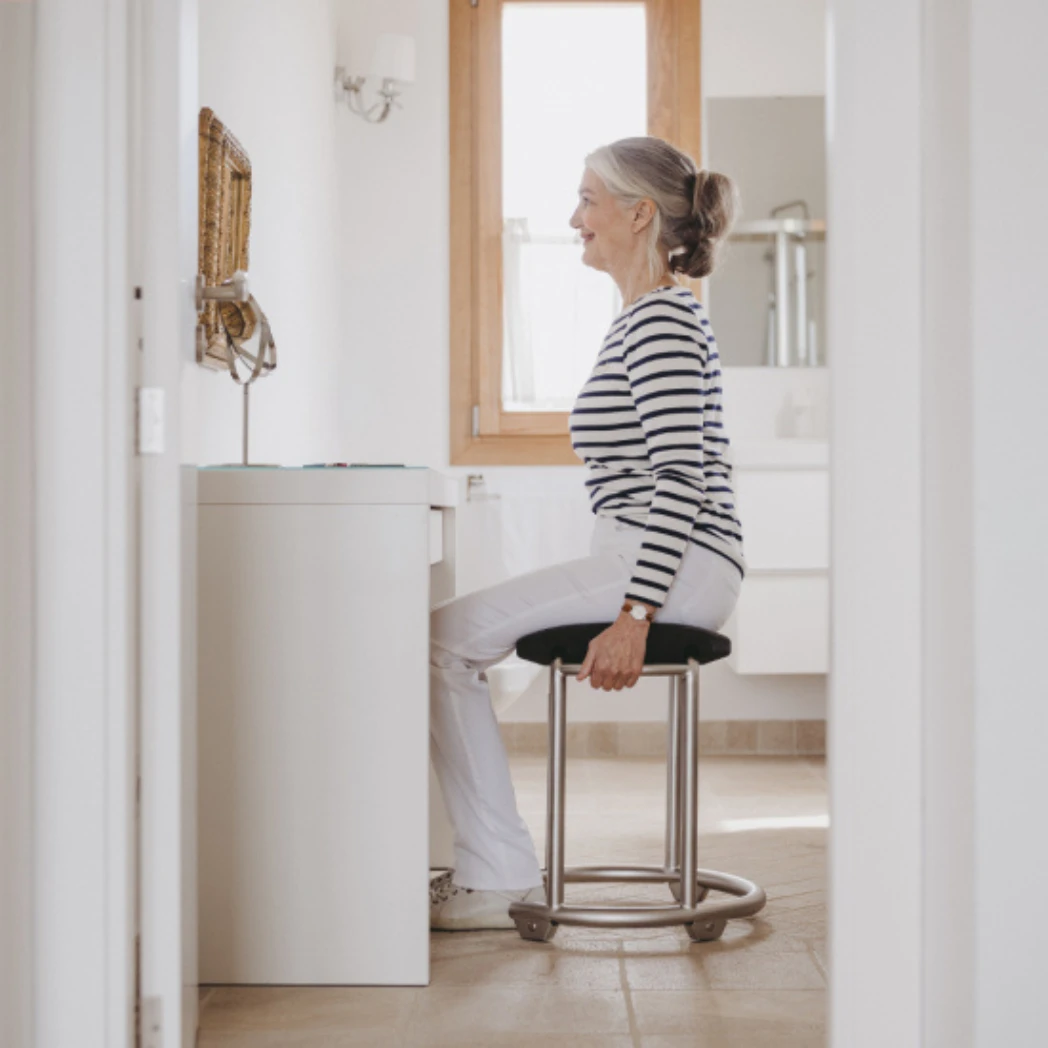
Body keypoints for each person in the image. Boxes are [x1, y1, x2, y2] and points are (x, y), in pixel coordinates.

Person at [429, 136, 746, 931]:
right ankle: (492, 862)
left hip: (670, 559)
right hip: (651, 553)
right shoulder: (645, 319)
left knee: (441, 641)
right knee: (447, 639)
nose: (574, 218)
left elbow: (682, 478)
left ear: (639, 215)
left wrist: (636, 616)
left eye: (587, 199)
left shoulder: (664, 324)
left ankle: (495, 871)